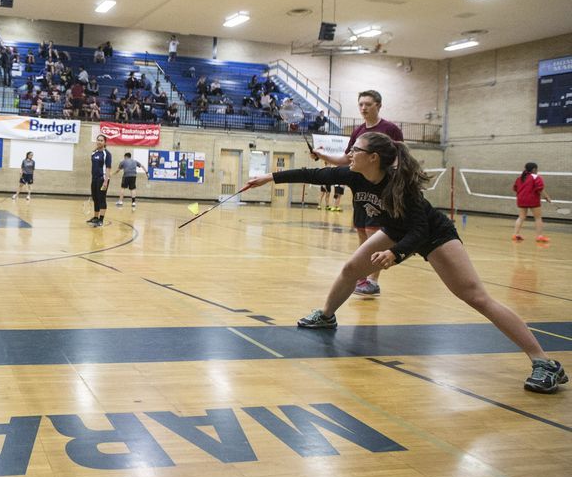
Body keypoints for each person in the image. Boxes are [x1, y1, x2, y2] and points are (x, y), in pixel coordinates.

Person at [243, 132, 567, 394]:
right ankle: (326, 316)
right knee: (350, 269)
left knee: (476, 297)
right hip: (395, 231)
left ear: (373, 158)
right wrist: (269, 177)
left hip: (435, 236)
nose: (349, 154)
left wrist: (395, 254)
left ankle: (544, 362)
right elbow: (313, 173)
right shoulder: (356, 176)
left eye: (356, 150)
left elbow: (419, 230)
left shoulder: (402, 185)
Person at [312, 90, 404, 297]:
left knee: (375, 233)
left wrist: (396, 181)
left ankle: (373, 280)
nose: (363, 108)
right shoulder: (358, 131)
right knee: (362, 232)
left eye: (368, 104)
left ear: (378, 105)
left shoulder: (390, 129)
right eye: (361, 104)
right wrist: (321, 153)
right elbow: (347, 159)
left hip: (381, 189)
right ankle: (364, 274)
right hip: (361, 190)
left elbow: (401, 157)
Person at [513, 162, 551, 242]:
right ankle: (539, 236)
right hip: (532, 199)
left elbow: (515, 188)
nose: (537, 171)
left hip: (521, 199)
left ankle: (516, 235)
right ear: (534, 169)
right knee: (538, 217)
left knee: (521, 217)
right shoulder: (536, 177)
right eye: (537, 169)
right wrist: (546, 197)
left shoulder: (520, 178)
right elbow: (539, 188)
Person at [87, 135, 112, 226]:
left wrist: (105, 181)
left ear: (105, 142)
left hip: (103, 179)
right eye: (98, 140)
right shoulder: (94, 153)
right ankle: (95, 217)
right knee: (95, 198)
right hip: (94, 179)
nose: (99, 142)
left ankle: (101, 219)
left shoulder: (107, 154)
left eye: (101, 140)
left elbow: (108, 168)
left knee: (102, 199)